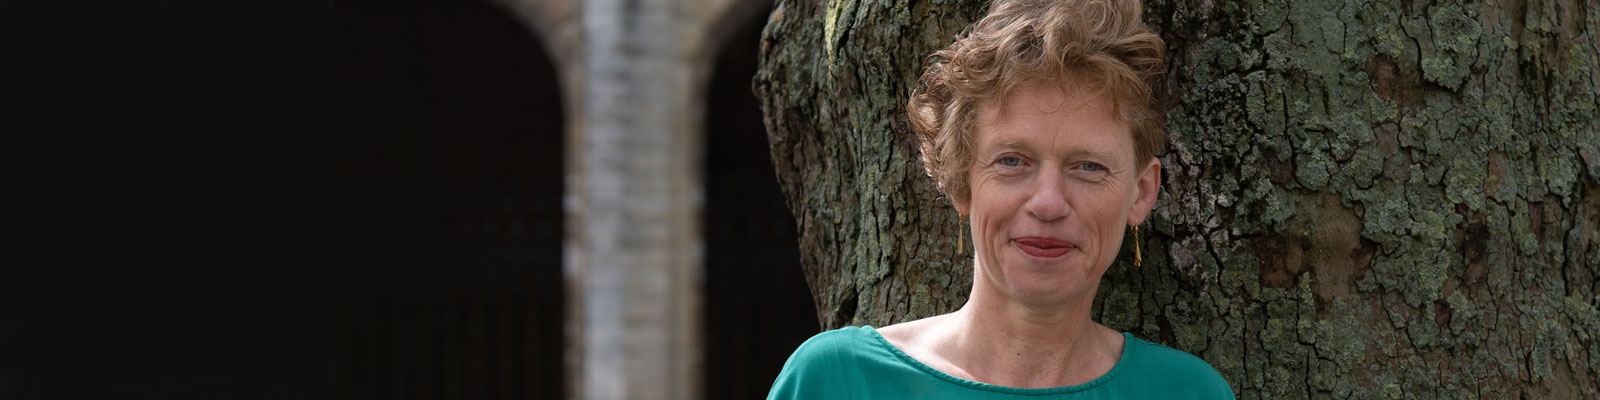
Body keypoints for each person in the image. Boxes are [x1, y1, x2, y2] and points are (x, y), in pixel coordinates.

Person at [766, 0, 1234, 398]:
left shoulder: (1188, 392)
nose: (1048, 203)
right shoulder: (837, 380)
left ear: (1141, 193)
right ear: (959, 180)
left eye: (1088, 167)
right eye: (1012, 161)